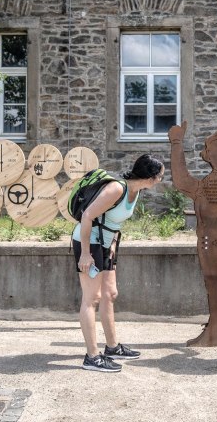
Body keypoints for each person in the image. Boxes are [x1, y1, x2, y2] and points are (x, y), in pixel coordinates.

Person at [73, 154, 164, 373]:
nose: (161, 179)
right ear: (151, 177)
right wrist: (85, 254)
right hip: (89, 243)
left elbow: (114, 221)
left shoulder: (137, 191)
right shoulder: (116, 189)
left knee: (110, 294)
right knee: (91, 298)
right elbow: (87, 216)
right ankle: (92, 357)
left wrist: (112, 245)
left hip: (107, 244)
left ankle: (112, 347)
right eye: (160, 175)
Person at [169, 121, 217, 346]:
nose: (209, 154)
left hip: (216, 241)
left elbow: (183, 182)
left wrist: (177, 143)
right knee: (216, 284)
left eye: (214, 150)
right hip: (215, 239)